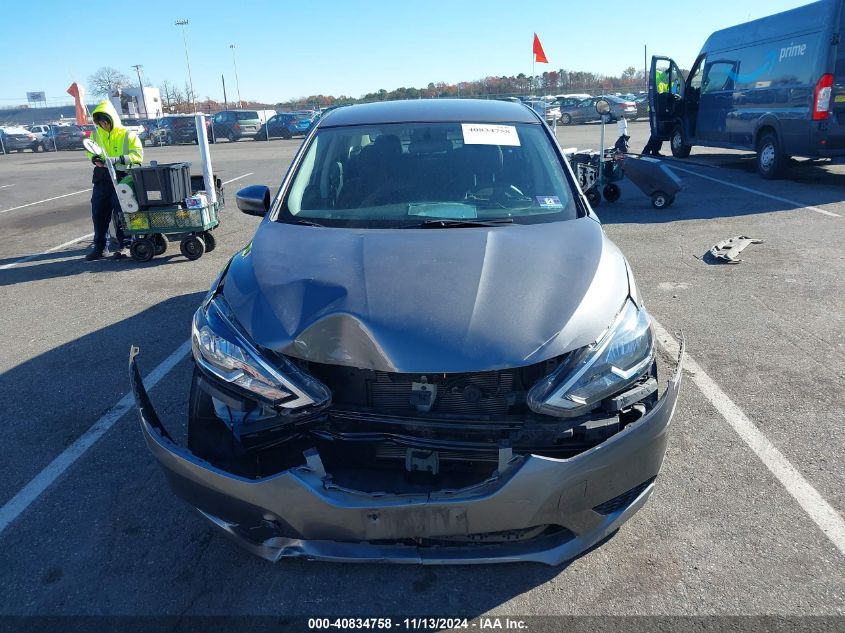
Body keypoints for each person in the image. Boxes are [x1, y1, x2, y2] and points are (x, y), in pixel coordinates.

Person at [84, 100, 143, 261]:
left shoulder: (128, 134)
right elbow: (89, 150)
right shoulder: (96, 134)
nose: (103, 125)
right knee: (98, 214)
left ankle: (127, 245)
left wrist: (118, 159)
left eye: (105, 121)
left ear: (112, 119)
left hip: (122, 179)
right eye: (100, 122)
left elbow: (137, 156)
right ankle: (100, 247)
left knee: (123, 214)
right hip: (102, 178)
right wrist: (94, 158)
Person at [642, 69, 669, 156]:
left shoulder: (664, 82)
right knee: (655, 131)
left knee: (660, 130)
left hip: (660, 109)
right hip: (654, 110)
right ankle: (646, 150)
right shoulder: (657, 77)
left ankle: (655, 150)